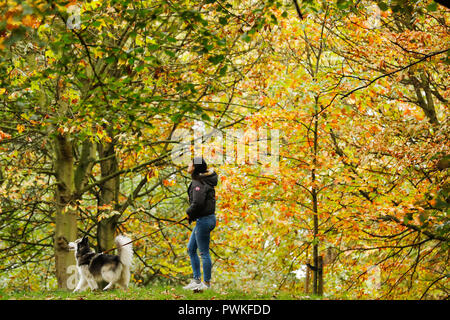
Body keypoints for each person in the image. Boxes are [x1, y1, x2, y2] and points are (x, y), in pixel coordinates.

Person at [183, 157, 218, 291]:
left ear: (195, 167)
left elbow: (198, 203)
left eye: (190, 162)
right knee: (191, 249)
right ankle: (197, 280)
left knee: (203, 253)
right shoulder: (202, 180)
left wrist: (189, 212)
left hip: (205, 220)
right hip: (204, 219)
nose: (188, 164)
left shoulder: (198, 182)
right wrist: (192, 215)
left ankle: (206, 284)